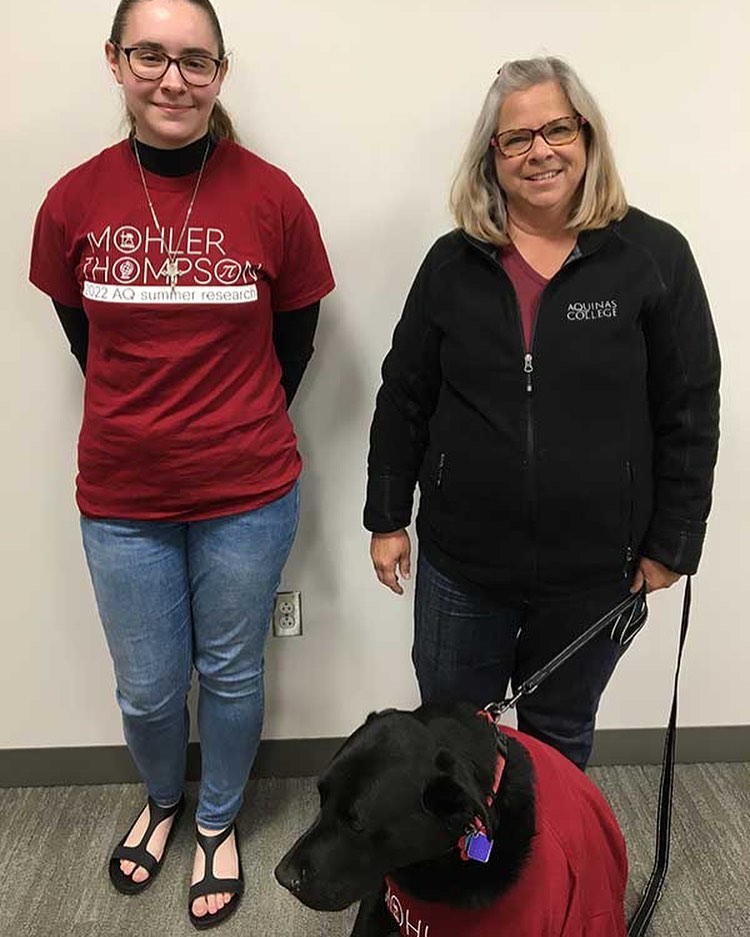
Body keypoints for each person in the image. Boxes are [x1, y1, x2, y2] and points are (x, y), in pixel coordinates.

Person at [29, 0, 334, 928]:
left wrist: (226, 422)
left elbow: (298, 339)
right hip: (122, 496)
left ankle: (215, 820)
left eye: (195, 61)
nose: (173, 78)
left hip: (248, 490)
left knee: (233, 671)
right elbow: (83, 333)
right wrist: (150, 418)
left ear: (221, 73)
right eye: (152, 56)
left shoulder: (272, 196)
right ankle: (161, 800)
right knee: (148, 683)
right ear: (116, 63)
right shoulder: (74, 198)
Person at [364, 56, 720, 772]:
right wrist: (385, 516)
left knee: (559, 739)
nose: (540, 151)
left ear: (587, 137)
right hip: (462, 566)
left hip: (595, 572)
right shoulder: (451, 264)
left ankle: (553, 875)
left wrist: (673, 542)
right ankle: (461, 876)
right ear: (491, 157)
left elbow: (689, 407)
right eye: (516, 138)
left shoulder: (654, 257)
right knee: (453, 740)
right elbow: (405, 393)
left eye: (558, 128)